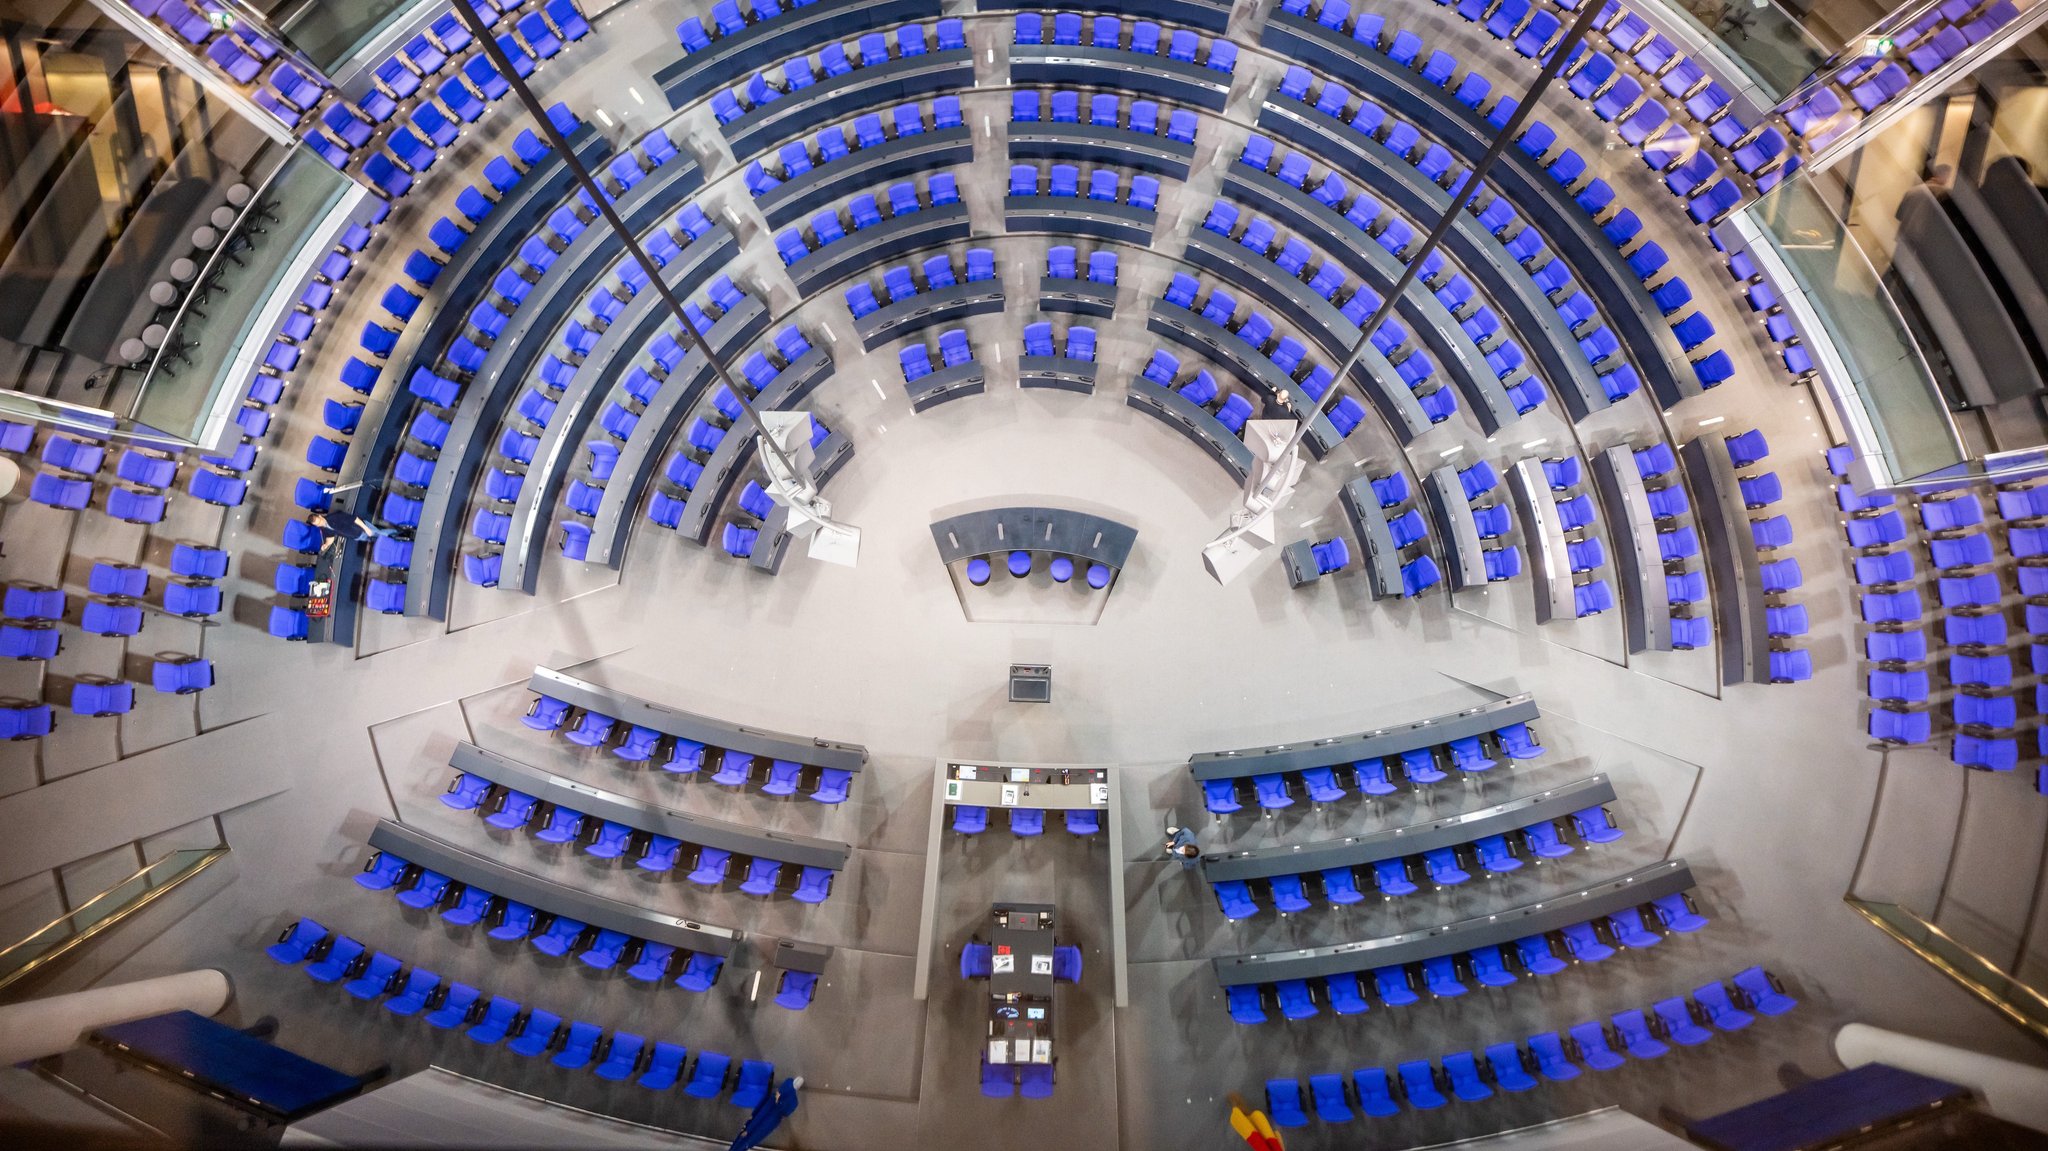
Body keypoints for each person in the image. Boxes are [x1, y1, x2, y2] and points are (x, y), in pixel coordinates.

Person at [730, 1075, 801, 1151]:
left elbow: (785, 1112)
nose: (778, 1092)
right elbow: (758, 1110)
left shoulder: (792, 1102)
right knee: (747, 1131)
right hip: (765, 1112)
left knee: (752, 1137)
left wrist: (779, 1102)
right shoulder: (777, 1095)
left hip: (770, 1119)